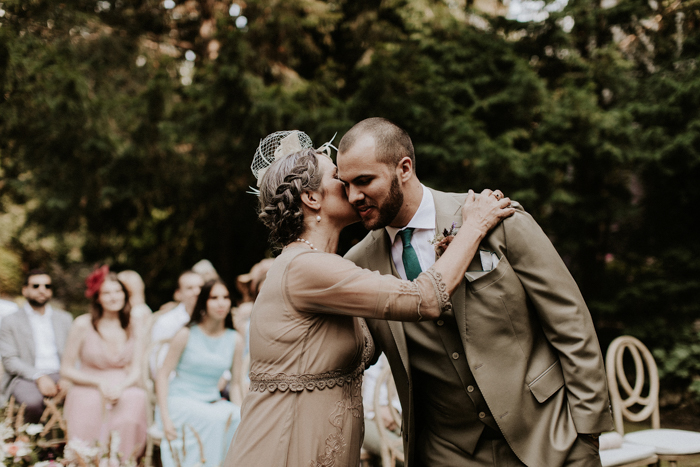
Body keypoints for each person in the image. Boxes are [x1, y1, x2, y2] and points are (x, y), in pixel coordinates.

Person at [224, 130, 513, 466]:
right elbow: (424, 299)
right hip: (283, 450)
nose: (349, 184)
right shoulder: (303, 267)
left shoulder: (331, 269)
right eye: (337, 177)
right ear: (312, 199)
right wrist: (473, 227)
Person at [337, 117, 613, 467]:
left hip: (549, 433)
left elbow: (570, 322)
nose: (353, 196)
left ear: (404, 168)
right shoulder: (357, 264)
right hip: (448, 452)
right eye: (345, 184)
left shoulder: (494, 217)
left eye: (364, 181)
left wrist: (587, 433)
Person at [60, 266, 147, 460]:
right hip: (88, 383)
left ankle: (123, 461)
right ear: (97, 297)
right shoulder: (83, 324)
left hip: (124, 384)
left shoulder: (134, 324)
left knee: (136, 398)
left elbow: (136, 369)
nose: (114, 297)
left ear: (125, 295)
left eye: (118, 292)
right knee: (89, 403)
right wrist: (98, 383)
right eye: (107, 293)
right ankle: (88, 460)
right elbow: (66, 369)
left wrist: (122, 386)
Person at [156, 279, 243, 467]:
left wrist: (242, 413)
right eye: (214, 297)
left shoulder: (235, 339)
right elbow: (162, 375)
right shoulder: (186, 334)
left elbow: (235, 384)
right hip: (179, 401)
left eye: (226, 297)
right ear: (204, 301)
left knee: (237, 418)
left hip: (212, 400)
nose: (221, 303)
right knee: (213, 420)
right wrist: (164, 417)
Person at [0, 270, 72, 423]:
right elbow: (10, 360)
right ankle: (32, 443)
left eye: (47, 286)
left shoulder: (64, 319)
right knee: (31, 402)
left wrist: (68, 377)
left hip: (62, 374)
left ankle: (77, 444)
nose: (42, 290)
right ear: (24, 290)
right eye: (36, 286)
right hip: (25, 377)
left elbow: (74, 354)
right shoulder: (10, 321)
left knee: (85, 397)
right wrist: (38, 376)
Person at [149, 270, 204, 377]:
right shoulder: (166, 322)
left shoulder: (213, 319)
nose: (197, 292)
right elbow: (157, 362)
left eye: (201, 287)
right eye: (190, 288)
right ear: (178, 294)